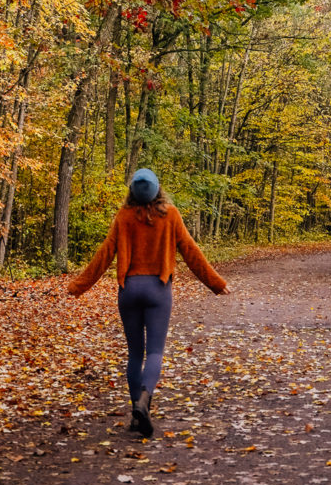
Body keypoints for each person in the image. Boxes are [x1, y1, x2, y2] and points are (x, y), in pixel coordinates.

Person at [67, 168, 230, 437]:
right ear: (158, 190)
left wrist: (78, 286)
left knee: (134, 354)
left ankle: (135, 414)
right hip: (158, 290)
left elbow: (105, 252)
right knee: (154, 353)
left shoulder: (124, 216)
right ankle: (145, 400)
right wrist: (216, 283)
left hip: (129, 290)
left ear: (132, 190)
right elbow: (191, 250)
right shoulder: (171, 215)